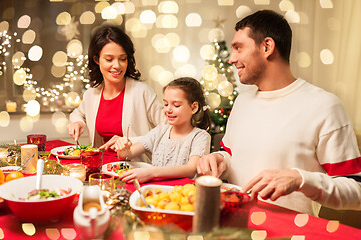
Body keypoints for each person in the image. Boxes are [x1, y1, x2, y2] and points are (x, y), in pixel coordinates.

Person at [196, 10, 361, 215]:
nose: (231, 58)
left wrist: (301, 179)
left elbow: (356, 190)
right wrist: (221, 160)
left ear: (267, 47)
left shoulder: (325, 106)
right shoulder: (242, 101)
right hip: (236, 228)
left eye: (238, 48)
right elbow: (233, 156)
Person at [68, 25, 165, 162]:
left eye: (122, 58)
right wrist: (77, 122)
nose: (117, 65)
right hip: (101, 170)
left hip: (136, 170)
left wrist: (130, 141)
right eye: (109, 59)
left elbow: (168, 130)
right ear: (97, 60)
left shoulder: (142, 92)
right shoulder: (92, 94)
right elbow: (77, 113)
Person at [111, 77, 211, 183]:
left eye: (176, 105)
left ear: (193, 108)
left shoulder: (200, 137)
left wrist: (152, 172)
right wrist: (123, 150)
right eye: (166, 104)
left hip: (183, 194)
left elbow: (191, 169)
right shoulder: (159, 131)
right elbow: (128, 155)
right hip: (156, 191)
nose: (168, 109)